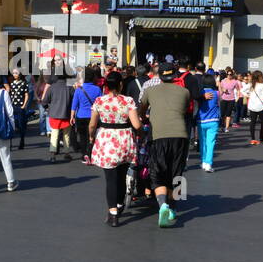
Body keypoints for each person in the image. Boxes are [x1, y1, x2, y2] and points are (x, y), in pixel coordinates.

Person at [139, 64, 191, 227]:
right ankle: (174, 207)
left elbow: (142, 110)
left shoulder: (150, 91)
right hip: (180, 135)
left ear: (159, 76)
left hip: (158, 135)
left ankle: (163, 205)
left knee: (157, 172)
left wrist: (146, 117)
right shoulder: (184, 91)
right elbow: (185, 110)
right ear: (175, 75)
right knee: (178, 173)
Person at [89, 72, 141, 226]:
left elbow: (92, 124)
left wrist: (91, 137)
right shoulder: (128, 101)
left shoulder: (99, 101)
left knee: (110, 179)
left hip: (106, 140)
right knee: (122, 175)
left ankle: (113, 214)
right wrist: (142, 134)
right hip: (124, 140)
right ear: (120, 84)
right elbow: (137, 125)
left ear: (105, 85)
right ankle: (119, 204)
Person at [73, 66, 104, 164]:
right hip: (93, 116)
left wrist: (71, 116)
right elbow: (101, 103)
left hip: (81, 116)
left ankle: (83, 155)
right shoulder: (97, 89)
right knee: (92, 136)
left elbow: (74, 104)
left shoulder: (78, 90)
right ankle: (91, 154)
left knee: (82, 137)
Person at [197, 72, 221, 171]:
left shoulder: (200, 93)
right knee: (210, 142)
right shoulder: (216, 93)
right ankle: (208, 164)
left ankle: (203, 161)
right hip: (213, 120)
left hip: (201, 120)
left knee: (202, 142)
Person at [218, 69, 240, 133]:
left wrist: (237, 97)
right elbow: (220, 89)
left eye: (230, 74)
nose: (229, 76)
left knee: (228, 114)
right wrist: (223, 90)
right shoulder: (223, 81)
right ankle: (222, 125)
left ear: (232, 75)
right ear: (226, 74)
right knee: (222, 114)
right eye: (228, 74)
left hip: (231, 100)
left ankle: (226, 128)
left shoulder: (235, 82)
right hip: (223, 99)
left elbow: (238, 89)